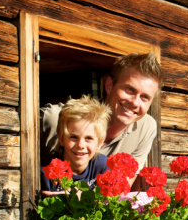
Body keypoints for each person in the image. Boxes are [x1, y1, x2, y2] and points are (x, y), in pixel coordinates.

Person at [42, 51, 163, 188]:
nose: (135, 102)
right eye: (129, 89)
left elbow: (121, 188)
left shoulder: (146, 127)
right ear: (109, 86)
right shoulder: (54, 118)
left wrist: (85, 198)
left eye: (145, 97)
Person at [41, 95, 111, 196]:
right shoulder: (46, 171)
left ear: (100, 143)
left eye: (89, 138)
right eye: (73, 137)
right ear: (60, 139)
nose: (80, 145)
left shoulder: (103, 167)